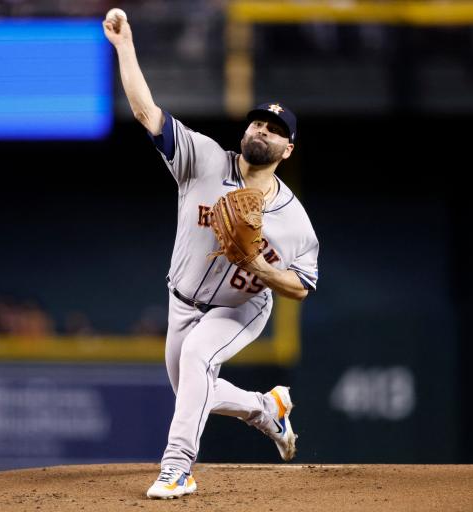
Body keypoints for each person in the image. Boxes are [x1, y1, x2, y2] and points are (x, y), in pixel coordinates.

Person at [103, 12, 319, 500]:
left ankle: (178, 467)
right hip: (181, 301)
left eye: (274, 128)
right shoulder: (202, 160)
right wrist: (125, 46)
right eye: (258, 122)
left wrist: (261, 267)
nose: (262, 129)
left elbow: (301, 288)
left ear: (287, 149)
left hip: (240, 308)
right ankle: (267, 410)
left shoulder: (293, 219)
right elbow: (146, 112)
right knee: (191, 390)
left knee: (200, 359)